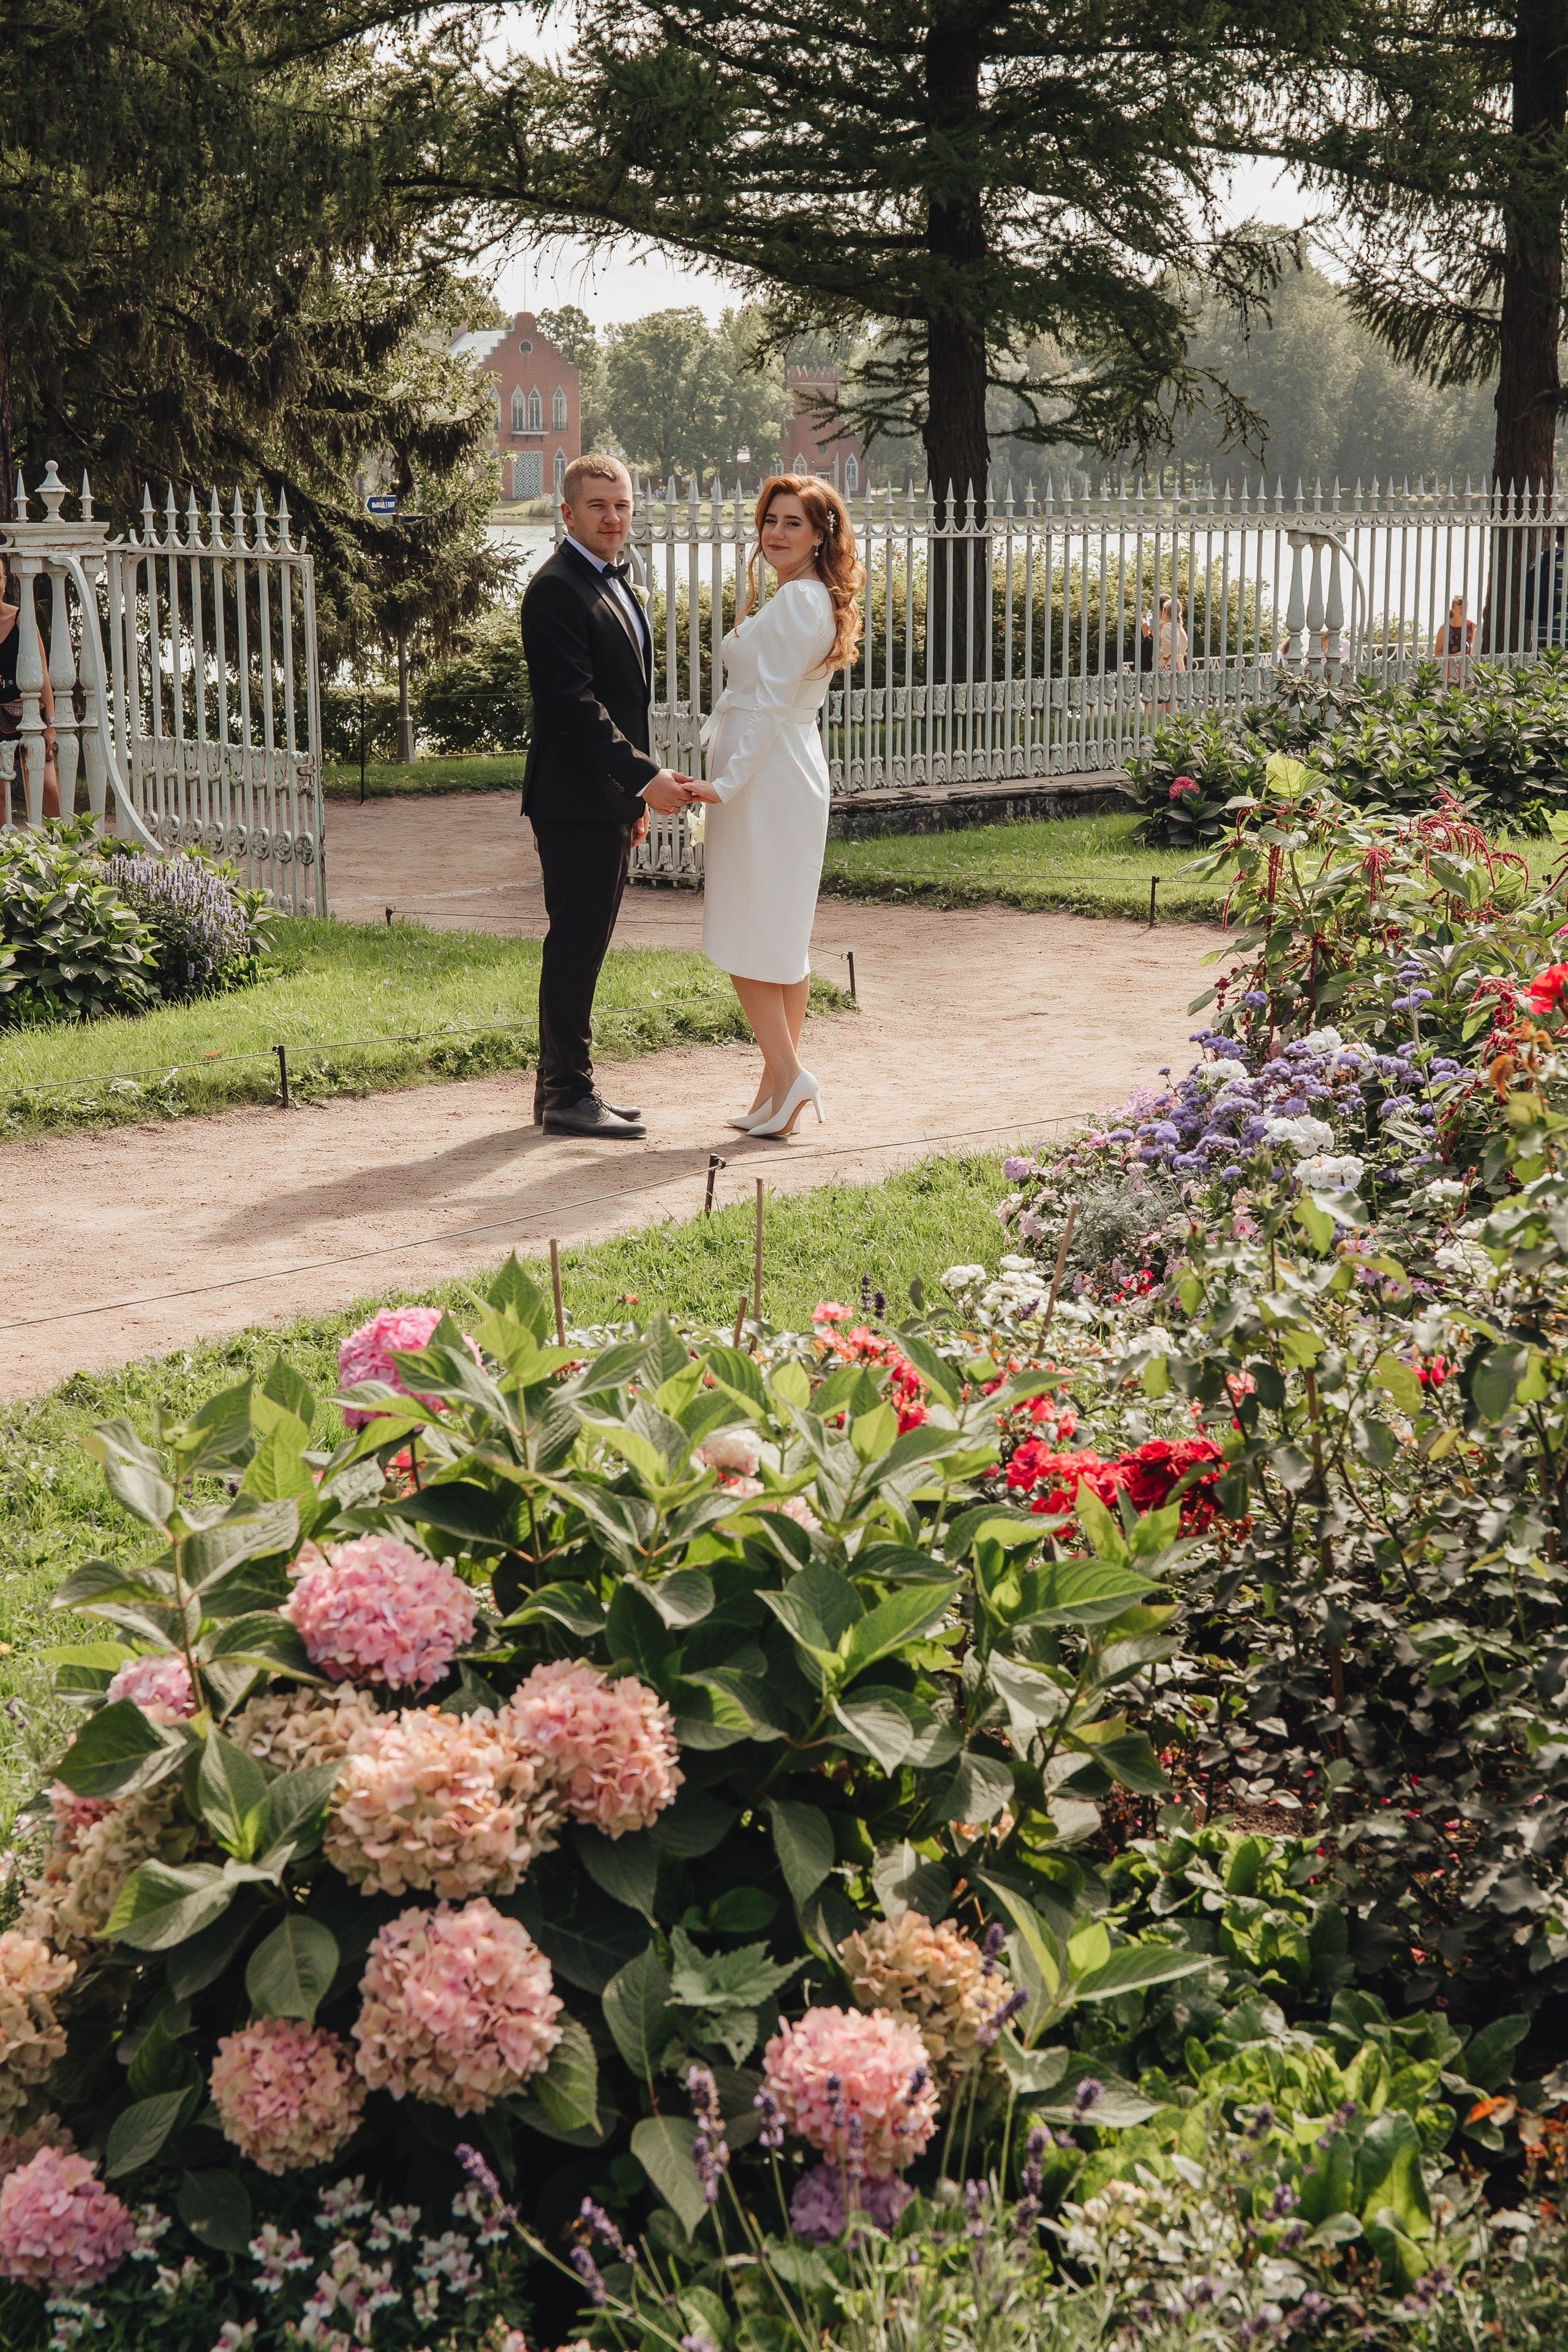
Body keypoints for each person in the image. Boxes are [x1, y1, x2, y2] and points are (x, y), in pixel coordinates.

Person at [519, 454, 693, 1139]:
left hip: (604, 799)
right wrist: (644, 778)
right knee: (576, 946)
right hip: (570, 799)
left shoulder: (618, 582)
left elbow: (626, 703)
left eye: (621, 505)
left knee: (585, 945)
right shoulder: (555, 589)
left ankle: (558, 1088)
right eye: (598, 507)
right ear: (567, 513)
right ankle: (567, 1094)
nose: (614, 518)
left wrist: (633, 800)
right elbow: (576, 706)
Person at [684, 474, 863, 1139]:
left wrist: (726, 783)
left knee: (748, 936)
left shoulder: (797, 603)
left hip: (767, 779)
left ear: (820, 534)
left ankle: (789, 1076)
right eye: (770, 521)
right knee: (780, 941)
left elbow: (764, 705)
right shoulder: (803, 598)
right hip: (783, 770)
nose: (777, 533)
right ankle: (774, 1092)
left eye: (793, 523)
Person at [0, 554, 60, 821]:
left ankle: (60, 848)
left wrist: (51, 725)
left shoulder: (22, 619)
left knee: (47, 788)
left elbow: (43, 673)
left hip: (28, 716)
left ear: (4, 583)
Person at [1434, 592, 1476, 682]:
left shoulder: (1472, 626)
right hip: (1449, 672)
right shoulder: (1444, 628)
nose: (1462, 609)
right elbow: (1437, 653)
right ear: (1452, 609)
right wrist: (1454, 656)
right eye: (1459, 607)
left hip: (1468, 670)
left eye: (1465, 607)